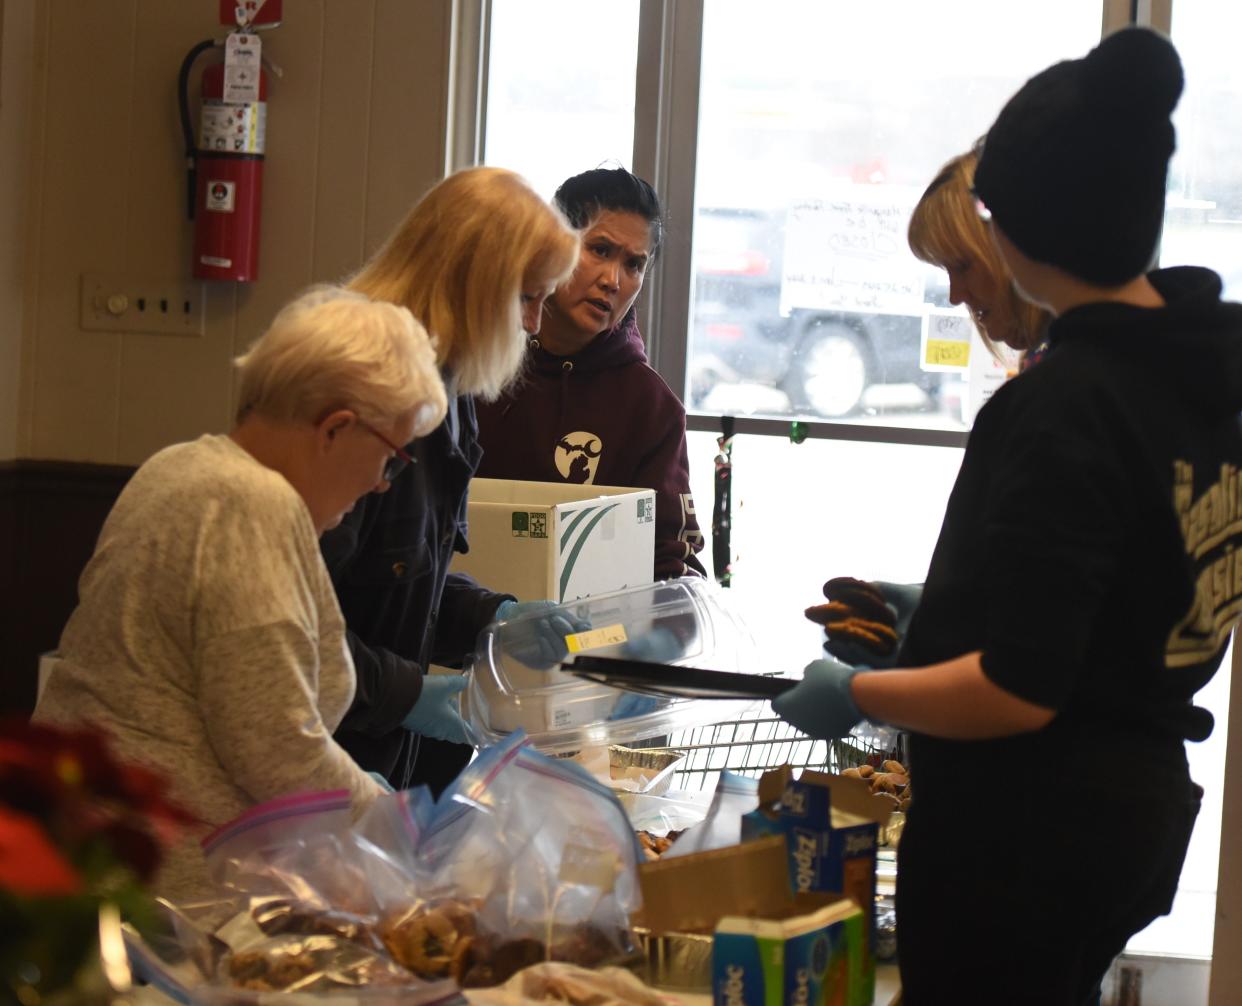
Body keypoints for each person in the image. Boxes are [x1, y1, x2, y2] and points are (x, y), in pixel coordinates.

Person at [772, 28, 1242, 1005]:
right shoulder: (1201, 376)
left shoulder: (1070, 401)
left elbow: (1021, 690)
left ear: (1025, 226)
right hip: (1137, 806)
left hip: (1032, 832)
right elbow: (1130, 582)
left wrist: (863, 694)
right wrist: (956, 602)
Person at [32, 287, 448, 903]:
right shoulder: (251, 504)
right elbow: (274, 746)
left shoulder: (180, 466)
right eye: (391, 459)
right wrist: (397, 824)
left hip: (103, 863)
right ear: (336, 428)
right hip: (166, 898)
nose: (383, 485)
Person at [323, 166, 581, 794]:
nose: (534, 325)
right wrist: (412, 695)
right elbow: (294, 626)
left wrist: (491, 616)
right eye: (527, 297)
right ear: (476, 286)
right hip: (313, 754)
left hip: (378, 756)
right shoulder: (362, 388)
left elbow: (404, 579)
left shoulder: (451, 390)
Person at [474, 167, 707, 581]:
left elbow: (671, 565)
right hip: (457, 626)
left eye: (634, 265)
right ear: (550, 245)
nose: (612, 280)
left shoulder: (651, 408)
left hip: (596, 638)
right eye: (599, 250)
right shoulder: (475, 367)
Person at [908, 145, 1052, 367]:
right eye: (947, 270)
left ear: (1015, 249)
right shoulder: (1054, 363)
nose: (955, 296)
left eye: (963, 266)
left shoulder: (1066, 377)